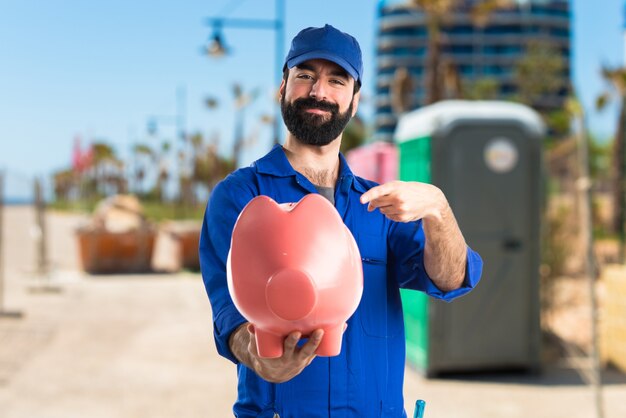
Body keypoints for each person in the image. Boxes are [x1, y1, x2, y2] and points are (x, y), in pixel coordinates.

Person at [199, 24, 483, 418]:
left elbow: (450, 278)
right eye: (305, 76)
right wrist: (259, 358)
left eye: (336, 80)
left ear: (354, 99)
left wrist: (438, 208)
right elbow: (229, 311)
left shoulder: (381, 206)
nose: (319, 92)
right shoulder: (241, 196)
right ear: (282, 86)